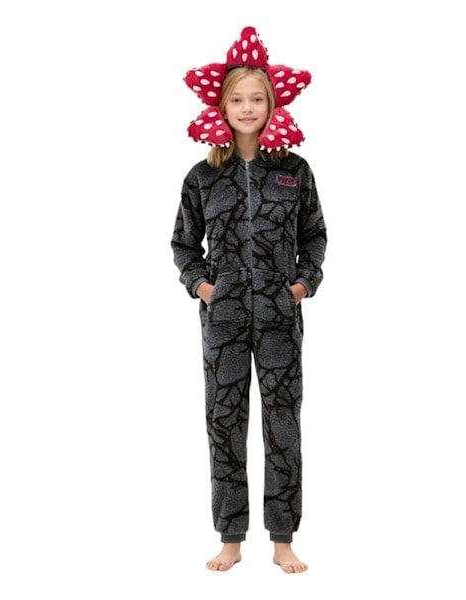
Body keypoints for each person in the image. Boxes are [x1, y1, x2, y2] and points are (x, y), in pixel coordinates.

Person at [171, 26, 327, 574]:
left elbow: (314, 236)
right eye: (236, 99)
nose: (247, 108)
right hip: (224, 319)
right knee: (224, 421)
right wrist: (203, 286)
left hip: (281, 316)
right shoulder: (202, 176)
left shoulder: (294, 171)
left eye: (256, 99)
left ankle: (283, 538)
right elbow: (183, 244)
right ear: (222, 105)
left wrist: (302, 285)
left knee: (283, 423)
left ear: (271, 104)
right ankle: (231, 537)